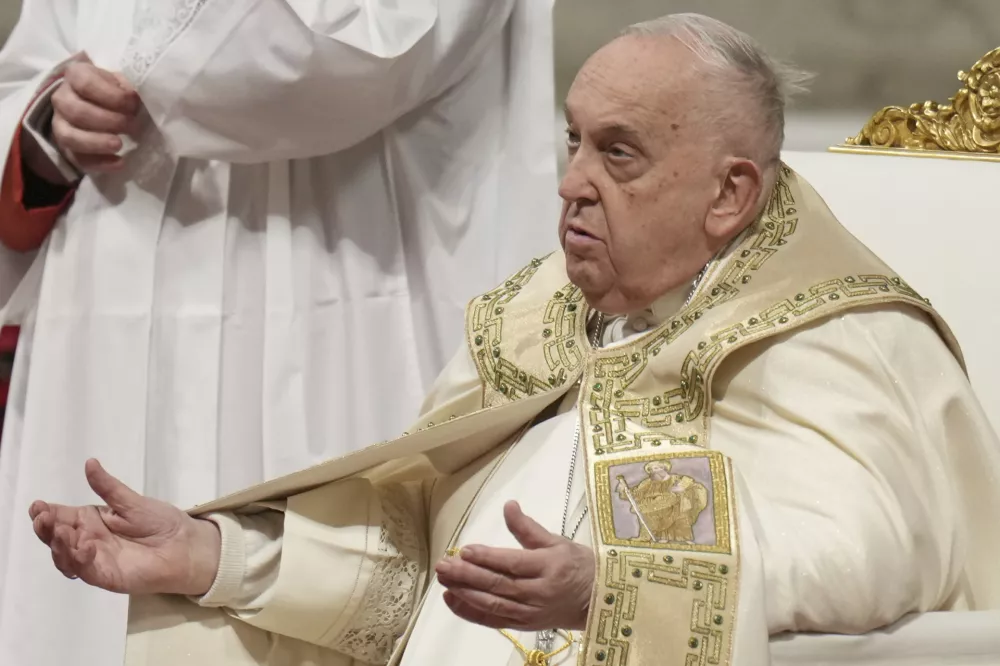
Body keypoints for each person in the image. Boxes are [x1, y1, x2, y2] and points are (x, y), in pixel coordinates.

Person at [29, 13, 1000, 666]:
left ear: (730, 193)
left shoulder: (824, 336)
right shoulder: (537, 325)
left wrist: (614, 589)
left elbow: (863, 556)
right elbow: (415, 579)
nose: (572, 182)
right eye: (571, 141)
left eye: (618, 153)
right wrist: (213, 558)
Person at [0, 1, 558, 665]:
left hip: (340, 298)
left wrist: (134, 73)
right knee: (83, 613)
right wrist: (50, 120)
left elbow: (345, 58)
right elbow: (37, 64)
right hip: (109, 305)